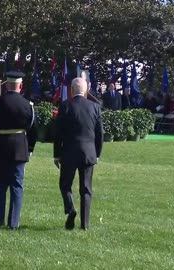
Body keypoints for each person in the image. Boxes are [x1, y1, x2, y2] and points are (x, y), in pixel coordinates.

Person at [0, 71, 37, 230]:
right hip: (20, 148)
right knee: (17, 185)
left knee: (1, 184)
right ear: (20, 86)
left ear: (6, 85)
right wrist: (31, 149)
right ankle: (13, 223)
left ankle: (0, 218)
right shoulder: (28, 105)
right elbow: (33, 131)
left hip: (0, 146)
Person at [53, 78, 103, 230]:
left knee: (65, 185)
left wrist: (57, 154)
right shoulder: (95, 107)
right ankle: (85, 225)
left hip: (68, 152)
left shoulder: (65, 106)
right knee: (86, 188)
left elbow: (58, 133)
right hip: (88, 152)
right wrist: (97, 153)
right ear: (86, 89)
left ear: (71, 90)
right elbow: (100, 133)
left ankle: (70, 208)